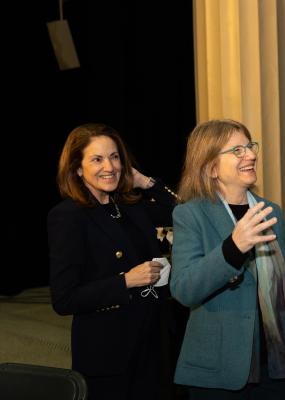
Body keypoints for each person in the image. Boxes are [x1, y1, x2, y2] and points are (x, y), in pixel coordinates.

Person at [170, 119, 285, 399]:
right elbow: (184, 290)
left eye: (249, 146)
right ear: (211, 167)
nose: (251, 155)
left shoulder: (271, 211)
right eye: (237, 150)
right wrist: (233, 248)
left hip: (277, 364)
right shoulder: (190, 215)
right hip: (220, 370)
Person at [47, 123, 179, 400]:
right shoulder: (68, 216)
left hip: (153, 343)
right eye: (97, 159)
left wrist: (145, 182)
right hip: (109, 353)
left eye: (115, 156)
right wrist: (126, 281)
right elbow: (64, 299)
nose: (110, 166)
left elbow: (183, 212)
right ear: (78, 169)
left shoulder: (130, 205)